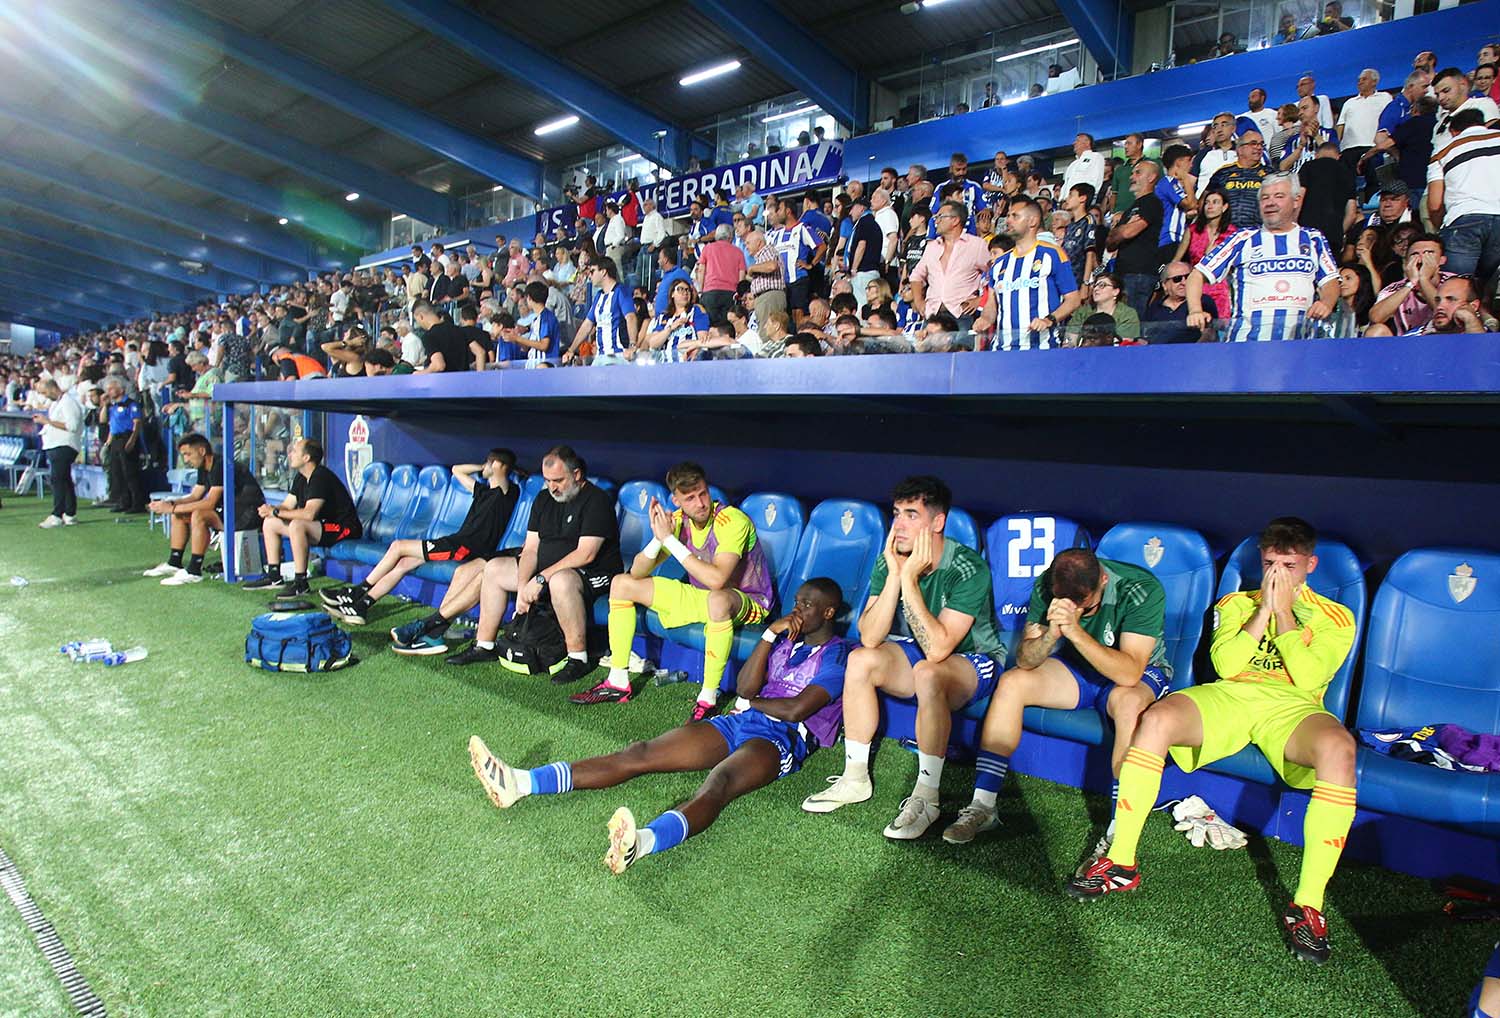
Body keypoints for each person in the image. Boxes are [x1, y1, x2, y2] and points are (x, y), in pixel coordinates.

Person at [1066, 517, 1358, 967]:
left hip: (1293, 708)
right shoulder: (1236, 603)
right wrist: (1263, 610)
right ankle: (1121, 862)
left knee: (1340, 750)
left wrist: (1283, 614)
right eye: (1269, 563)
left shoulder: (1335, 617)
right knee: (1157, 719)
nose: (1276, 573)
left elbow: (1309, 676)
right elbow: (1226, 663)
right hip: (1231, 697)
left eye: (1288, 564)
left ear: (1310, 565)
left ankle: (1309, 906)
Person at [466, 578, 849, 874]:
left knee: (720, 783)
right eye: (796, 601)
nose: (797, 610)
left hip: (781, 739)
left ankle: (643, 843)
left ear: (829, 613)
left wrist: (753, 702)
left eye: (807, 604)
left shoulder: (839, 655)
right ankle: (520, 783)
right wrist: (769, 635)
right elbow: (746, 688)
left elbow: (798, 709)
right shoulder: (787, 641)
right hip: (740, 721)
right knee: (641, 753)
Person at [801, 476, 1005, 842]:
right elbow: (870, 635)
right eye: (897, 513)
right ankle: (855, 778)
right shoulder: (892, 558)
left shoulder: (967, 568)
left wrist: (910, 581)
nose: (899, 524)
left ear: (937, 523)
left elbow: (940, 649)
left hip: (973, 659)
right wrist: (896, 574)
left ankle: (927, 798)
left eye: (912, 515)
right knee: (862, 660)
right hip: (919, 652)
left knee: (929, 671)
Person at [575, 462, 775, 723]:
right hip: (701, 596)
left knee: (716, 599)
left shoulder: (732, 520)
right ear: (676, 500)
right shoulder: (678, 521)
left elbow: (717, 581)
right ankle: (618, 681)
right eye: (690, 498)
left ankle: (708, 699)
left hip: (746, 600)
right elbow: (636, 571)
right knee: (621, 584)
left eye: (703, 493)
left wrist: (670, 541)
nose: (700, 503)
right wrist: (658, 538)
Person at [446, 446, 622, 686]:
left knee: (561, 580)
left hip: (597, 574)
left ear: (577, 475)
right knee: (495, 568)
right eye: (548, 480)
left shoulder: (596, 500)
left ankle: (578, 658)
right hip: (549, 571)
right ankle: (484, 645)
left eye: (559, 480)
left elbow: (586, 554)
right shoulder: (543, 499)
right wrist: (522, 587)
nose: (552, 487)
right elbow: (530, 549)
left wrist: (540, 579)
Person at [320, 450, 521, 625]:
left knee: (398, 547)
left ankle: (357, 592)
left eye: (488, 461)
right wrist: (483, 466)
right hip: (456, 541)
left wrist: (502, 468)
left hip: (465, 547)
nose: (484, 465)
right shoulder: (483, 491)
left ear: (498, 465)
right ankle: (363, 604)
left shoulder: (506, 492)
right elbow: (457, 471)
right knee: (403, 563)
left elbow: (502, 480)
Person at [1189, 172, 1340, 342]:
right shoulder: (1243, 238)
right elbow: (1197, 274)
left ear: (1296, 201)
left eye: (1279, 196)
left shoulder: (1313, 238)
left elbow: (1330, 281)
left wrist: (1326, 303)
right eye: (1265, 198)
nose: (1270, 203)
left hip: (1299, 344)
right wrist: (1195, 310)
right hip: (1247, 345)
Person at [243, 438, 362, 596]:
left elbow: (309, 514)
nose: (290, 454)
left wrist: (277, 512)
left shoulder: (320, 476)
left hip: (344, 528)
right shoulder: (301, 477)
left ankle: (301, 583)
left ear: (306, 458)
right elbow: (287, 505)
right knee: (271, 523)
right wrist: (270, 510)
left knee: (298, 525)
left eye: (295, 451)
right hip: (322, 527)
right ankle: (274, 577)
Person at [143, 433, 265, 587]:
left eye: (188, 454)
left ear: (201, 451)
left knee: (199, 515)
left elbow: (209, 503)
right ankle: (174, 562)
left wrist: (172, 507)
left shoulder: (220, 465)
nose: (186, 460)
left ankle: (194, 571)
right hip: (230, 512)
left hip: (248, 515)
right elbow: (195, 495)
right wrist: (171, 504)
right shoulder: (204, 466)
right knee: (179, 514)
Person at [975, 196, 1081, 350]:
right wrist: (985, 318)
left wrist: (1049, 320)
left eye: (1015, 216)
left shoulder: (1052, 254)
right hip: (1003, 349)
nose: (1008, 221)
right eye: (1009, 215)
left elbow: (1073, 299)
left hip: (1042, 347)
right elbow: (992, 304)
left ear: (1033, 221)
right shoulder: (999, 263)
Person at [1426, 108, 1500, 284]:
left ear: (1453, 131)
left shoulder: (1443, 150)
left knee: (1456, 289)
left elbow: (1435, 204)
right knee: (1488, 291)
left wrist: (1439, 229)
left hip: (1463, 221)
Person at [909, 200, 991, 331]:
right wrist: (918, 301)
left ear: (955, 220)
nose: (936, 221)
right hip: (933, 315)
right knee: (928, 351)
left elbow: (994, 274)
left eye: (940, 217)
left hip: (961, 315)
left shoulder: (977, 245)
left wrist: (980, 300)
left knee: (962, 350)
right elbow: (916, 276)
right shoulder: (931, 247)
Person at [1108, 160, 1168, 312]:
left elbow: (1128, 232)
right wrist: (1123, 229)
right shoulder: (1130, 209)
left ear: (1151, 177)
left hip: (1140, 274)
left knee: (1133, 324)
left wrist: (1121, 230)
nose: (1131, 177)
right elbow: (1110, 243)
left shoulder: (1152, 203)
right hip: (1122, 273)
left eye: (1138, 172)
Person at [1366, 233, 1453, 334]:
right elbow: (1376, 317)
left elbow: (1447, 313)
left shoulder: (1454, 282)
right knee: (1376, 330)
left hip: (1445, 340)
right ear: (1407, 262)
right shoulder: (1396, 287)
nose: (1421, 258)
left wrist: (1424, 280)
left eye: (1428, 253)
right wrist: (1411, 283)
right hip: (1407, 343)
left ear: (1442, 260)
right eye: (1415, 254)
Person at [564, 257, 638, 366]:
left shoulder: (621, 291)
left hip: (617, 355)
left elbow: (631, 317)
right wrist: (571, 350)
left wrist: (632, 346)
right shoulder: (599, 296)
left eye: (593, 271)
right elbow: (587, 324)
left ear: (603, 272)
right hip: (601, 356)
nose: (590, 275)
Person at [33, 379, 82, 528]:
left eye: (45, 392)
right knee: (64, 479)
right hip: (55, 445)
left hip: (64, 445)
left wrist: (47, 421)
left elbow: (72, 426)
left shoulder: (68, 402)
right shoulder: (56, 403)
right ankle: (70, 513)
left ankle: (57, 515)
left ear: (53, 388)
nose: (45, 396)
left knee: (58, 480)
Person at [99, 377, 145, 514]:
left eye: (111, 389)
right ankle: (123, 501)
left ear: (121, 389)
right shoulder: (112, 406)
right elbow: (104, 421)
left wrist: (132, 440)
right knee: (117, 472)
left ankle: (137, 503)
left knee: (130, 472)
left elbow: (137, 423)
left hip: (127, 437)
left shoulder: (131, 404)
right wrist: (104, 405)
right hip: (115, 439)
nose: (109, 391)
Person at [1206, 132, 1270, 229]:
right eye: (1253, 143)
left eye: (1261, 144)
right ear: (1240, 149)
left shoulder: (1271, 174)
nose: (1259, 147)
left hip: (1259, 232)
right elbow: (1205, 199)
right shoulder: (1223, 173)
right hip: (1226, 233)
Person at [1143, 261, 1218, 343]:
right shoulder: (1154, 308)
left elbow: (1210, 334)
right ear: (1165, 285)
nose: (1184, 282)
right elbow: (1146, 337)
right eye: (1177, 279)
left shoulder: (1203, 301)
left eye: (1188, 277)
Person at [642, 278, 710, 363]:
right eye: (680, 289)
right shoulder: (664, 317)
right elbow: (653, 343)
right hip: (665, 364)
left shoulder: (696, 311)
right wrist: (670, 328)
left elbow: (702, 340)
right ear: (672, 294)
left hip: (688, 362)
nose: (685, 293)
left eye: (687, 290)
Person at [1067, 272, 1141, 343]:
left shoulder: (1128, 314)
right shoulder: (1082, 312)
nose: (1096, 289)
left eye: (1102, 285)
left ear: (1115, 291)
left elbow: (1124, 343)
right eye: (1095, 285)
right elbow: (1070, 341)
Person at [412, 301, 478, 373]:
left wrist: (420, 373)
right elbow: (480, 352)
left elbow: (439, 365)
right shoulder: (458, 329)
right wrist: (479, 375)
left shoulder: (429, 336)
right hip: (464, 380)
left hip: (444, 381)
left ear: (421, 316)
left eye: (417, 320)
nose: (419, 324)